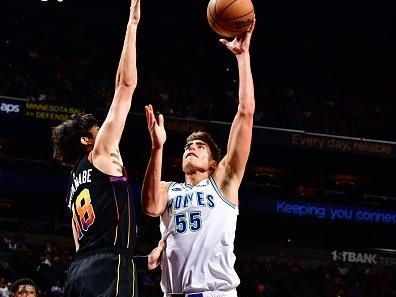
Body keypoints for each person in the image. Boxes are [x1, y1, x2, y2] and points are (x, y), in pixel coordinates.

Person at [51, 0, 164, 296]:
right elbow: (125, 86)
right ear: (87, 140)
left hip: (78, 273)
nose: (107, 131)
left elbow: (84, 247)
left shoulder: (73, 184)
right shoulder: (99, 153)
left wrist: (136, 260)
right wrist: (132, 25)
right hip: (106, 270)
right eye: (98, 129)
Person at [141, 19, 256, 297]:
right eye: (187, 146)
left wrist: (242, 58)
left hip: (216, 292)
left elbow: (245, 114)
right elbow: (150, 207)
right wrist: (157, 147)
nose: (191, 147)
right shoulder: (170, 189)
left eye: (200, 146)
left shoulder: (224, 183)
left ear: (214, 164)